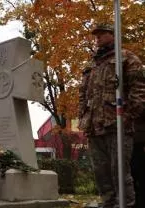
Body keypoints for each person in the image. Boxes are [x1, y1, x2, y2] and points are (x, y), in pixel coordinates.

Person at [78, 23, 145, 208]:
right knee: (101, 172)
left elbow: (138, 89)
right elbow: (83, 93)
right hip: (94, 127)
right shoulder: (92, 64)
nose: (97, 38)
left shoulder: (127, 58)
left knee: (120, 172)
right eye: (96, 35)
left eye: (102, 34)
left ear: (113, 35)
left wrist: (129, 115)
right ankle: (108, 203)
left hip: (117, 124)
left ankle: (125, 205)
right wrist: (83, 116)